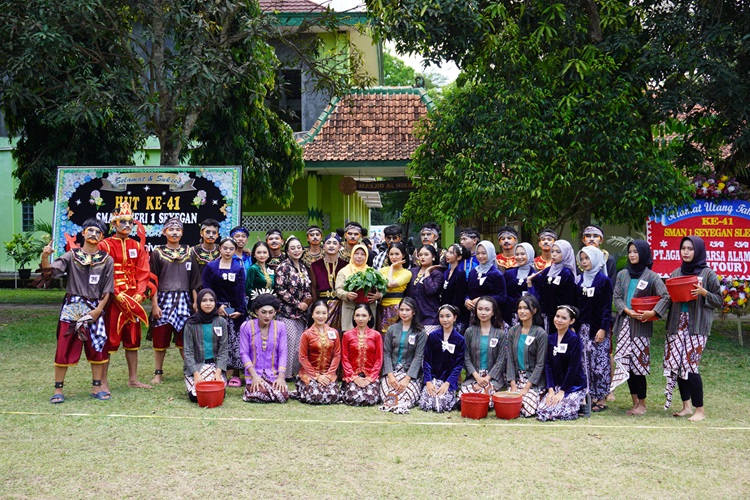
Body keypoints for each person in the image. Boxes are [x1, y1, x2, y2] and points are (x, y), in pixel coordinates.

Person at [43, 219, 114, 403]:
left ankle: (97, 386)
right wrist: (45, 257)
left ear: (102, 237)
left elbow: (108, 290)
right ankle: (58, 389)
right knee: (63, 346)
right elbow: (50, 273)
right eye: (90, 230)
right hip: (72, 306)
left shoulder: (107, 259)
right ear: (83, 233)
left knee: (97, 346)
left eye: (97, 232)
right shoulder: (71, 255)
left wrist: (99, 310)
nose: (93, 234)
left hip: (95, 307)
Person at [664, 236, 722, 422]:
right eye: (683, 248)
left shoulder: (708, 274)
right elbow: (667, 298)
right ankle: (686, 406)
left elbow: (719, 301)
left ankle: (700, 410)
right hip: (676, 324)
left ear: (698, 251)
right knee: (679, 365)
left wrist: (704, 293)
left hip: (696, 326)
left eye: (690, 248)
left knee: (690, 365)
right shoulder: (676, 273)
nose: (686, 252)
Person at [610, 240, 670, 415]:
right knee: (627, 365)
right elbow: (617, 297)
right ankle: (634, 403)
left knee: (639, 366)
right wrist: (627, 311)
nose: (632, 255)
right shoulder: (622, 274)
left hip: (641, 328)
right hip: (624, 326)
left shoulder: (652, 276)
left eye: (635, 251)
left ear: (643, 253)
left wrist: (652, 313)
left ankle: (642, 404)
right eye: (630, 251)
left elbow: (665, 296)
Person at [98, 201, 151, 391]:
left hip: (133, 299)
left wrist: (139, 294)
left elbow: (143, 272)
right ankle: (102, 381)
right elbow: (103, 273)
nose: (127, 226)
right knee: (110, 339)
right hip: (112, 300)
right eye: (123, 222)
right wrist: (116, 293)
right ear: (114, 224)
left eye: (130, 222)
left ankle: (133, 379)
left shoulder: (136, 245)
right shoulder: (104, 245)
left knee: (133, 338)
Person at [149, 217, 201, 384]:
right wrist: (155, 305)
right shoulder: (157, 252)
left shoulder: (189, 251)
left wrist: (195, 302)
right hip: (164, 298)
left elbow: (194, 279)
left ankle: (190, 370)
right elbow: (152, 280)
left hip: (184, 300)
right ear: (164, 232)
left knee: (185, 339)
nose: (174, 232)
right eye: (170, 229)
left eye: (178, 230)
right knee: (160, 337)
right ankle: (158, 373)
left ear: (182, 233)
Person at [201, 237, 246, 387]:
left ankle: (235, 373)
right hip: (215, 308)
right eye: (225, 248)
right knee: (218, 341)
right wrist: (217, 306)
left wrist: (240, 310)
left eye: (231, 249)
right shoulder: (211, 267)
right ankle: (219, 373)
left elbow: (241, 290)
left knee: (235, 341)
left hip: (234, 309)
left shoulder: (238, 268)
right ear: (219, 249)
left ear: (235, 250)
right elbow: (206, 287)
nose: (228, 251)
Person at [575, 246, 613, 413]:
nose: (584, 262)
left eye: (587, 258)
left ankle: (602, 397)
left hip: (598, 328)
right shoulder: (578, 280)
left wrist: (603, 328)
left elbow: (606, 307)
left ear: (596, 259)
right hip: (581, 328)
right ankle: (588, 395)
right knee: (584, 362)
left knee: (599, 363)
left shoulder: (604, 281)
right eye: (582, 259)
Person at [537, 305, 587, 421]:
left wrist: (562, 391)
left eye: (564, 318)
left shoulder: (574, 339)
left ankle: (583, 400)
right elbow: (548, 365)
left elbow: (573, 367)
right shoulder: (550, 338)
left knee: (559, 410)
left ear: (572, 321)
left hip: (573, 385)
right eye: (557, 316)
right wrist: (550, 390)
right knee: (542, 410)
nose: (559, 320)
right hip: (556, 385)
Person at [459, 296, 509, 408]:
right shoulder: (469, 332)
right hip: (474, 376)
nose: (483, 312)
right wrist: (477, 377)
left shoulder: (500, 333)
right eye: (480, 309)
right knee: (465, 398)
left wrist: (486, 379)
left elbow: (501, 360)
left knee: (484, 399)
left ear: (493, 312)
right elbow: (466, 357)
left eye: (487, 310)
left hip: (492, 378)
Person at [274, 236, 312, 378]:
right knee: (288, 343)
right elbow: (280, 289)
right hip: (287, 312)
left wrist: (307, 303)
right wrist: (297, 304)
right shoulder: (283, 267)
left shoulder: (302, 267)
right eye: (293, 248)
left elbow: (307, 288)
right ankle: (286, 374)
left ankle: (296, 372)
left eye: (298, 247)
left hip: (301, 313)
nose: (296, 250)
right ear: (287, 251)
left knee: (298, 345)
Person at [379, 297, 426, 413]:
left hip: (410, 373)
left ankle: (399, 404)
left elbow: (418, 356)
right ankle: (392, 402)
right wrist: (390, 375)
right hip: (393, 371)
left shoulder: (420, 332)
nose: (404, 313)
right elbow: (387, 353)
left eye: (407, 310)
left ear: (414, 312)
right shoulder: (392, 329)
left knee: (407, 393)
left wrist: (407, 379)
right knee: (388, 392)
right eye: (401, 309)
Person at [240, 294, 289, 403]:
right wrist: (254, 376)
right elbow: (244, 353)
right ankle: (260, 391)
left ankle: (268, 391)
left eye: (271, 312)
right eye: (263, 312)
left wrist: (281, 377)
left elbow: (283, 353)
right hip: (254, 374)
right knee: (259, 393)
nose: (267, 316)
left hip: (273, 374)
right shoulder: (246, 326)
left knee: (283, 395)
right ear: (256, 311)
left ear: (275, 313)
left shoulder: (281, 326)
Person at [182, 288, 228, 403]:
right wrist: (196, 374)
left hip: (214, 366)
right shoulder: (190, 323)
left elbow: (223, 349)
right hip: (196, 366)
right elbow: (187, 351)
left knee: (218, 393)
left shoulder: (221, 322)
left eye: (211, 300)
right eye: (204, 300)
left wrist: (218, 372)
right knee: (195, 396)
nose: (208, 303)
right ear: (198, 303)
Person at [506, 295, 548, 417]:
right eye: (519, 308)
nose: (522, 311)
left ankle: (539, 397)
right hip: (517, 379)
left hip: (533, 382)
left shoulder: (541, 333)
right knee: (508, 402)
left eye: (526, 308)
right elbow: (509, 359)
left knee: (525, 409)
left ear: (534, 311)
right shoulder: (513, 331)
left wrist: (526, 388)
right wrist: (513, 385)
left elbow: (540, 364)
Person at [420, 304, 466, 413]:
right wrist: (428, 381)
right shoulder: (433, 336)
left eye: (448, 316)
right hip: (433, 378)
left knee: (442, 404)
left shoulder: (460, 339)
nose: (444, 319)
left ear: (454, 318)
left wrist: (448, 383)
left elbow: (459, 365)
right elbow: (426, 360)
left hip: (448, 381)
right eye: (441, 316)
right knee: (427, 403)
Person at [295, 301, 342, 404]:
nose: (321, 316)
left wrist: (329, 374)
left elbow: (337, 355)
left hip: (328, 374)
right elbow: (303, 357)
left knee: (333, 395)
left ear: (328, 314)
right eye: (318, 313)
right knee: (315, 395)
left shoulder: (334, 332)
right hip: (310, 374)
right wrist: (317, 376)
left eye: (324, 313)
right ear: (312, 314)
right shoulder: (306, 334)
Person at [528, 239, 577, 333]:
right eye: (552, 251)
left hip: (558, 318)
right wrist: (530, 282)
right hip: (544, 315)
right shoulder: (547, 271)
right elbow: (541, 292)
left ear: (566, 254)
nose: (553, 254)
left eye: (558, 252)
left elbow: (569, 299)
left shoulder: (566, 273)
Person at [340, 304, 384, 406]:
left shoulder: (376, 335)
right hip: (353, 376)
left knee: (370, 398)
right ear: (354, 317)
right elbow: (345, 359)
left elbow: (379, 359)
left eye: (364, 315)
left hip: (370, 376)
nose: (360, 318)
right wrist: (354, 377)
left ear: (370, 317)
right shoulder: (347, 335)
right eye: (357, 315)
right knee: (353, 397)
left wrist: (370, 378)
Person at [335, 243, 380, 331]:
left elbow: (381, 288)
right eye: (356, 253)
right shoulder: (344, 271)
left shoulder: (372, 272)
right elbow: (338, 290)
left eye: (363, 254)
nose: (359, 256)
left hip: (369, 308)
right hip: (350, 309)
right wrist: (346, 294)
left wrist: (378, 295)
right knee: (350, 337)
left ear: (366, 256)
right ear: (352, 255)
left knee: (368, 338)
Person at [309, 233, 347, 331]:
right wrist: (315, 305)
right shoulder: (315, 265)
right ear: (323, 246)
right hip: (323, 305)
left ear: (340, 246)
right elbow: (313, 287)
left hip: (341, 304)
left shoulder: (345, 265)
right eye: (328, 243)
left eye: (335, 243)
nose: (331, 245)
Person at [407, 245, 445, 333]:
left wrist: (427, 273)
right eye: (420, 255)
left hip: (430, 315)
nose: (422, 257)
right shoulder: (412, 271)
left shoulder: (437, 274)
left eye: (426, 254)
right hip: (413, 316)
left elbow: (430, 290)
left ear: (433, 257)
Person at [377, 242, 412, 334]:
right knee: (382, 334)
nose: (394, 257)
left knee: (396, 334)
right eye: (391, 254)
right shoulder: (382, 270)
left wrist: (392, 267)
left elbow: (390, 284)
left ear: (403, 255)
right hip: (382, 306)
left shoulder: (406, 273)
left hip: (397, 307)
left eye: (397, 254)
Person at [465, 240, 506, 319]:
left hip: (490, 316)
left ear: (490, 253)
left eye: (484, 253)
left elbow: (502, 297)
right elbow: (467, 291)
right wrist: (466, 300)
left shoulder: (496, 274)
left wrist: (482, 300)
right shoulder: (473, 272)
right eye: (478, 253)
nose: (480, 256)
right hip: (473, 314)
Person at [502, 243, 536, 328]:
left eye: (523, 254)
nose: (519, 257)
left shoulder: (536, 275)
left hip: (528, 316)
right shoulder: (509, 273)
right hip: (509, 315)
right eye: (517, 254)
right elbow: (504, 294)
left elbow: (536, 298)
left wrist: (529, 284)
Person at [441, 243, 470, 332]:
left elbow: (459, 296)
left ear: (459, 257)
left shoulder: (460, 273)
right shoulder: (446, 272)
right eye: (447, 252)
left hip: (456, 314)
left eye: (451, 253)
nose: (447, 255)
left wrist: (453, 312)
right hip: (445, 310)